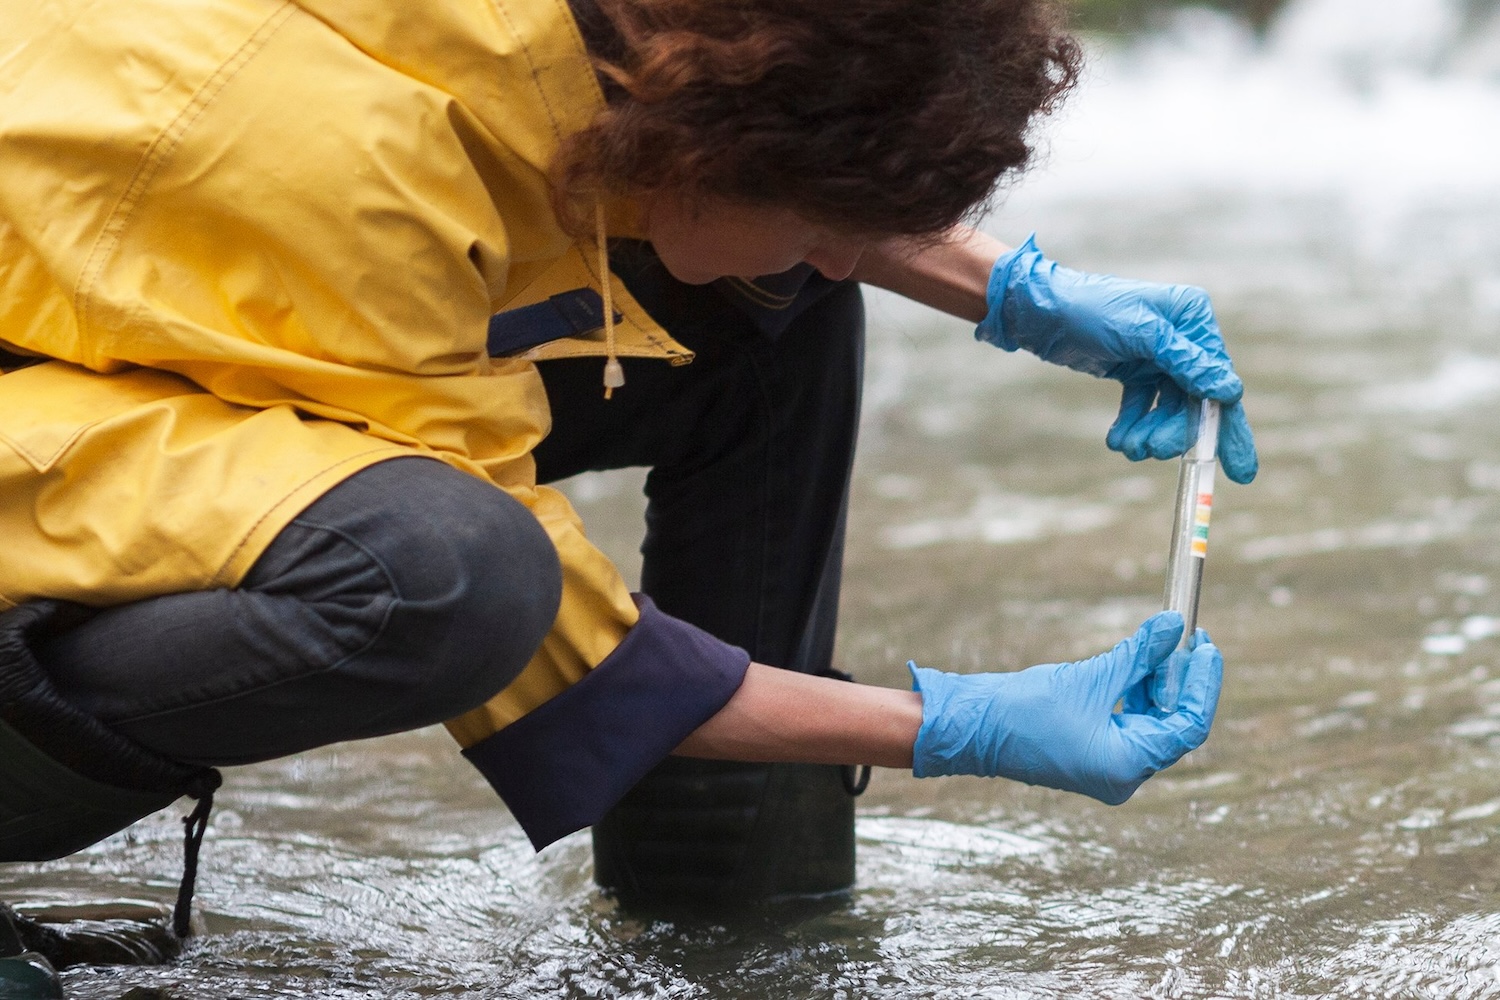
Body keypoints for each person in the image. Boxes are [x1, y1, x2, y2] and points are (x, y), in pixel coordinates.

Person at [0, 0, 1255, 981]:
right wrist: (958, 728)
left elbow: (764, 198)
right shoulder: (362, 176)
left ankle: (728, 909)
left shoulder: (607, 54)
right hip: (54, 392)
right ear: (710, 140)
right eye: (825, 212)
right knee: (447, 577)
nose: (842, 249)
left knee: (777, 309)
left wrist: (1018, 294)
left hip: (149, 330)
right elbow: (568, 653)